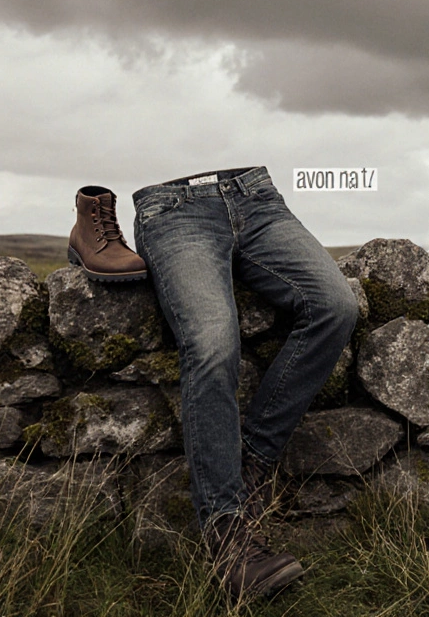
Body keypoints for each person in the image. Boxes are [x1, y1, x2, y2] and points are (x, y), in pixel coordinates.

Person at [132, 166, 358, 598]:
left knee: (336, 306)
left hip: (256, 196)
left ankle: (253, 459)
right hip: (172, 212)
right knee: (213, 343)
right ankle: (227, 535)